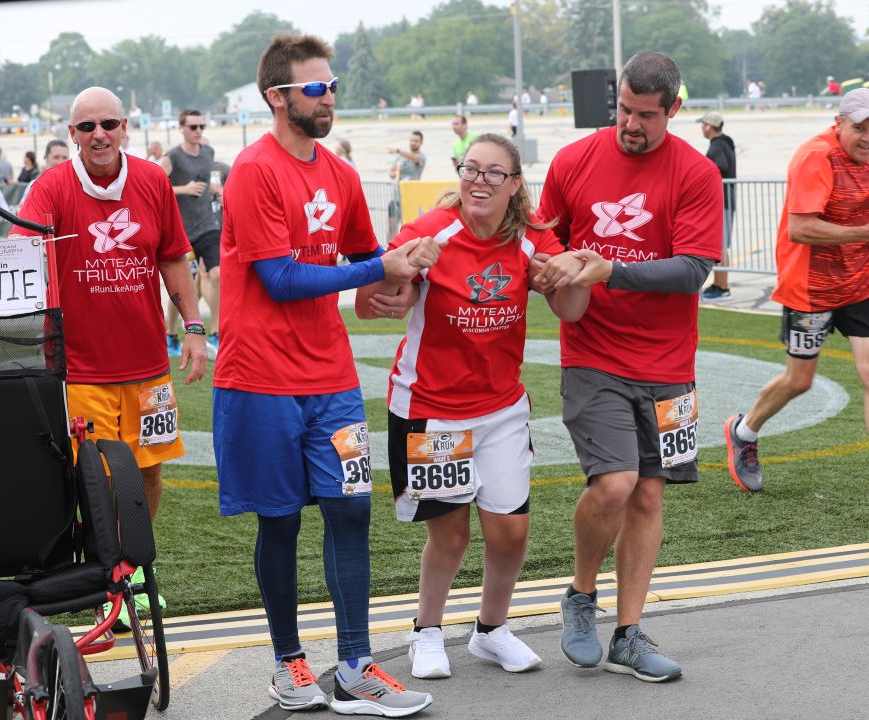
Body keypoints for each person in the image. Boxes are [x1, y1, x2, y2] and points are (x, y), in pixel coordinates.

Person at [211, 33, 436, 717]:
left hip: (330, 377)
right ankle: (289, 664)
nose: (329, 96)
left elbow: (368, 255)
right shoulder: (254, 170)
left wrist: (401, 277)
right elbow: (279, 279)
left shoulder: (338, 174)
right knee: (279, 524)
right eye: (316, 88)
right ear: (279, 98)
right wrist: (377, 271)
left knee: (351, 509)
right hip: (260, 380)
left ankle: (357, 663)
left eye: (332, 85)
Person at [356, 133, 590, 681]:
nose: (479, 181)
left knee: (511, 531)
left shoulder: (533, 239)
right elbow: (369, 306)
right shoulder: (430, 232)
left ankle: (491, 631)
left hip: (501, 409)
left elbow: (573, 311)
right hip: (432, 407)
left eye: (493, 173)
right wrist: (397, 278)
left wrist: (570, 274)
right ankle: (427, 632)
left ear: (514, 186)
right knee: (452, 532)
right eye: (470, 170)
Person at [534, 51, 722, 684]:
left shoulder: (695, 173)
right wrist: (556, 269)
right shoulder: (573, 160)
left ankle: (628, 634)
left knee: (648, 493)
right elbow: (543, 236)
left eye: (646, 114)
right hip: (594, 354)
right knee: (614, 484)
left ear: (675, 108)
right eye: (623, 110)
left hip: (670, 364)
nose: (630, 125)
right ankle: (581, 598)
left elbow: (694, 269)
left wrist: (609, 268)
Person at [11, 86, 208, 626]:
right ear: (72, 135)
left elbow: (173, 258)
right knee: (93, 480)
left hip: (147, 365)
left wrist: (193, 327)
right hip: (80, 370)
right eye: (85, 127)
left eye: (108, 124)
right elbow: (16, 255)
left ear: (126, 127)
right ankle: (105, 577)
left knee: (147, 478)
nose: (98, 134)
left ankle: (137, 571)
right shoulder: (49, 188)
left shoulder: (150, 181)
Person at [722, 89, 869, 519]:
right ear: (839, 123)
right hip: (810, 286)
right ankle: (743, 431)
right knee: (799, 380)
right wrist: (868, 231)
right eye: (860, 128)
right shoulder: (813, 157)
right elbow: (801, 228)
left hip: (862, 279)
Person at [162, 109, 224, 351]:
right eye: (194, 127)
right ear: (181, 128)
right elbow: (154, 183)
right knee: (182, 286)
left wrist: (218, 192)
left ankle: (216, 332)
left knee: (218, 275)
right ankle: (171, 333)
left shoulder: (208, 152)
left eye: (202, 127)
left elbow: (209, 181)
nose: (199, 131)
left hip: (208, 226)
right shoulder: (173, 157)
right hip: (182, 232)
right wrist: (184, 189)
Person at [698, 111, 736, 301]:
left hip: (722, 202)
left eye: (702, 124)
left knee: (719, 246)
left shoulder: (718, 146)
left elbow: (719, 168)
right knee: (720, 246)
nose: (701, 128)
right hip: (726, 201)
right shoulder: (724, 143)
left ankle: (723, 288)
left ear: (708, 126)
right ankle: (719, 284)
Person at [388, 131, 426, 238]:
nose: (413, 143)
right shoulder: (401, 157)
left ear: (421, 142)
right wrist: (393, 172)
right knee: (392, 226)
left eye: (416, 141)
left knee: (409, 227)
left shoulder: (421, 157)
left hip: (411, 197)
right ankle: (389, 248)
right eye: (411, 140)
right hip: (396, 196)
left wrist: (398, 151)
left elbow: (415, 158)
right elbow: (391, 173)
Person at [18, 139, 70, 207]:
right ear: (45, 158)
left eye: (65, 157)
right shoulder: (34, 186)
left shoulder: (75, 185)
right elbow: (20, 212)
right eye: (56, 157)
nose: (61, 162)